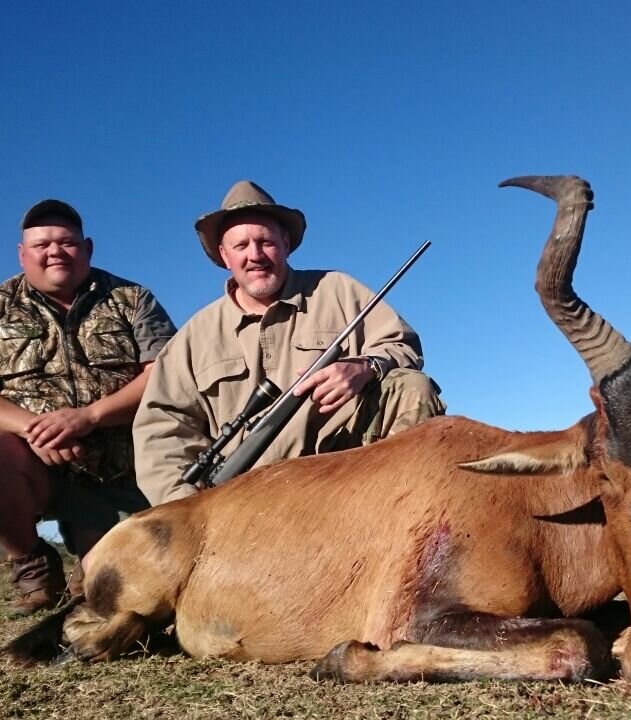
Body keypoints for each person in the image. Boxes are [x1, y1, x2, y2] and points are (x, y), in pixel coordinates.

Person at [134, 180, 445, 506]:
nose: (255, 255)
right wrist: (190, 511)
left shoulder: (336, 290)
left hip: (345, 470)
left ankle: (404, 520)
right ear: (225, 256)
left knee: (410, 386)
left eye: (265, 242)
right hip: (240, 498)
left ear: (285, 243)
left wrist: (365, 366)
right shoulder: (193, 337)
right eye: (241, 246)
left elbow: (402, 345)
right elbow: (162, 432)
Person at [0, 200, 176, 615]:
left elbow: (165, 373)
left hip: (118, 473)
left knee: (114, 591)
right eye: (42, 243)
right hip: (37, 468)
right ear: (22, 253)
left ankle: (92, 553)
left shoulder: (132, 298)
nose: (54, 251)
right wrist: (33, 428)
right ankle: (32, 563)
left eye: (66, 242)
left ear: (87, 248)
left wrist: (89, 417)